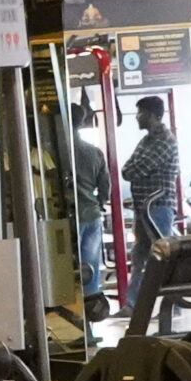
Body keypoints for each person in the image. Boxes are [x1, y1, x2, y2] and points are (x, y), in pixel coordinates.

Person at [121, 95, 179, 312]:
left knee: (164, 256)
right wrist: (132, 169)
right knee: (139, 257)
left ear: (153, 115)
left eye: (141, 113)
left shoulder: (164, 141)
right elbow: (127, 169)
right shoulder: (146, 141)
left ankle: (173, 305)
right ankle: (131, 305)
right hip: (144, 208)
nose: (137, 117)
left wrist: (132, 169)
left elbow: (136, 169)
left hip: (158, 207)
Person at [70, 105, 112, 321]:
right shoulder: (94, 152)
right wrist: (99, 202)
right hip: (92, 214)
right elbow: (105, 186)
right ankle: (90, 316)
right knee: (90, 268)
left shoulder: (57, 149)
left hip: (69, 217)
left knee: (69, 267)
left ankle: (72, 314)